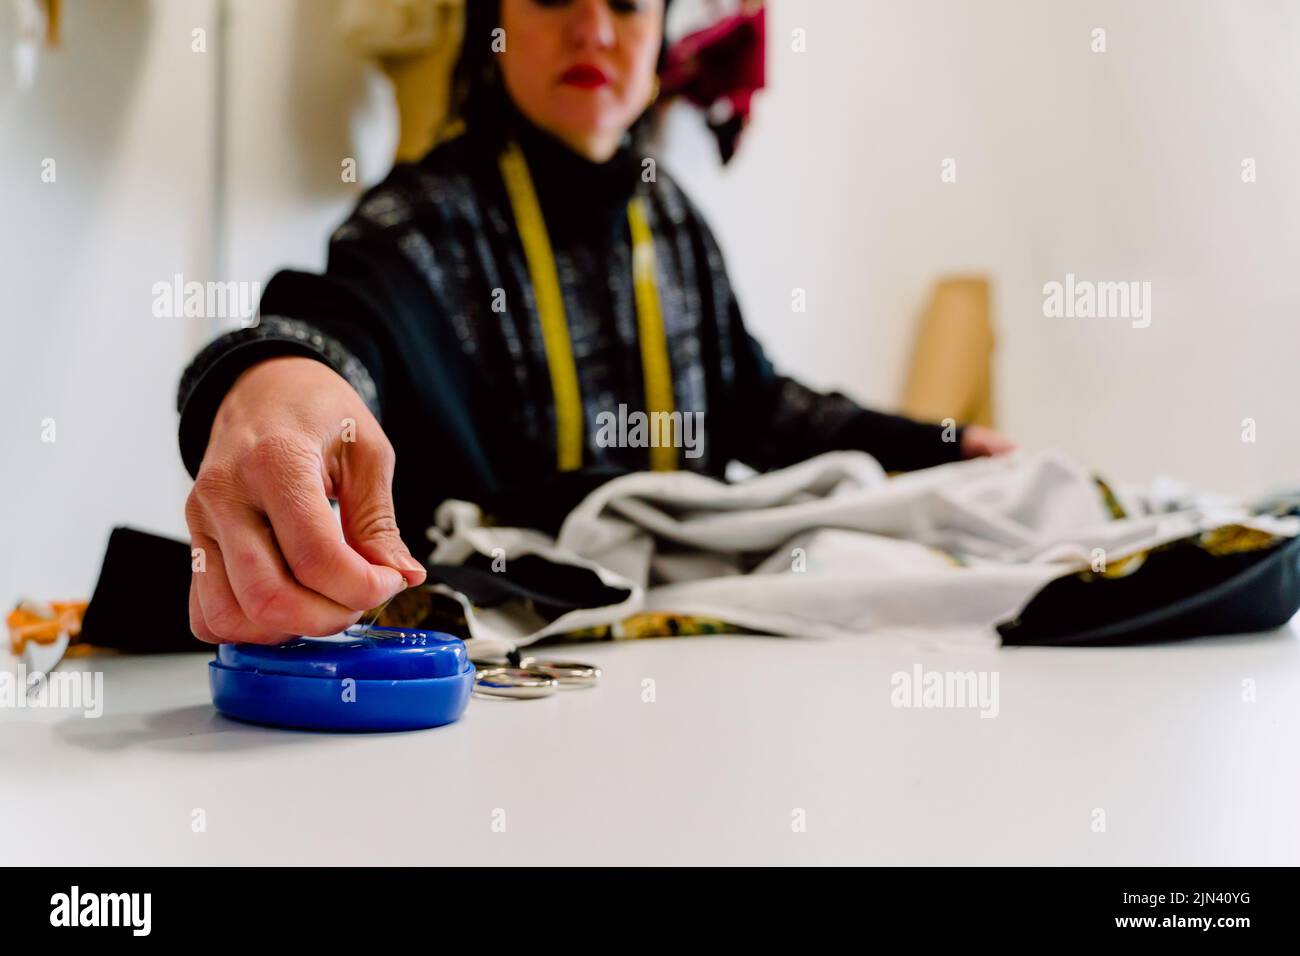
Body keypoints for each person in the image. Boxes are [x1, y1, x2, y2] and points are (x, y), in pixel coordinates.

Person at [176, 0, 1016, 645]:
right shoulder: (415, 223)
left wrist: (944, 443)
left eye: (624, 3)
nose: (592, 30)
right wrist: (271, 376)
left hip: (685, 646)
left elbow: (755, 405)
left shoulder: (676, 221)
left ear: (659, 37)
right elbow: (334, 330)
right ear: (490, 23)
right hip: (499, 671)